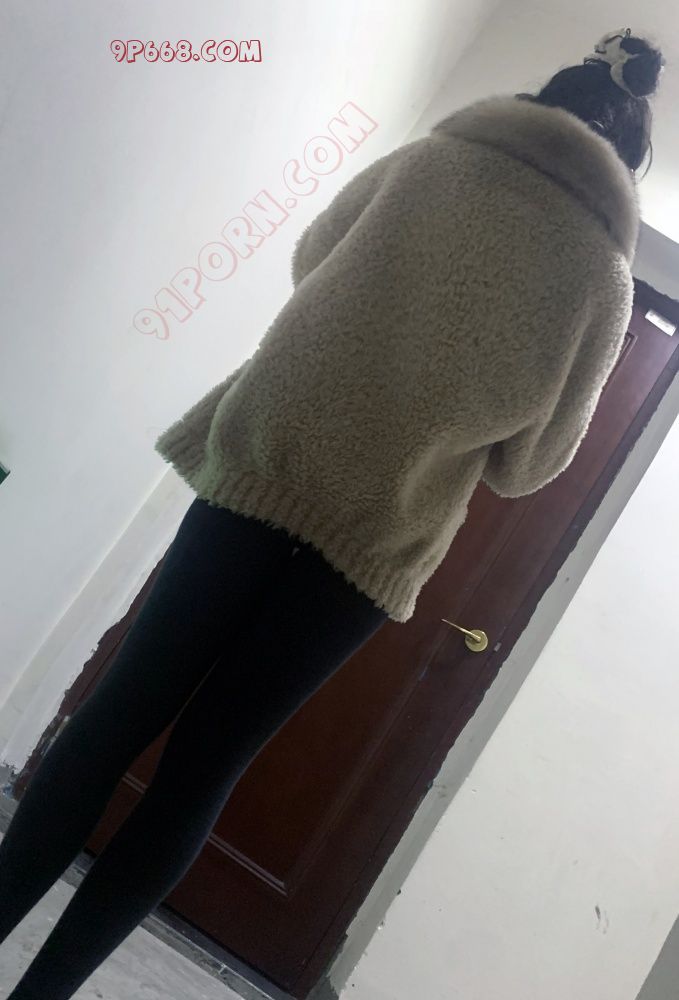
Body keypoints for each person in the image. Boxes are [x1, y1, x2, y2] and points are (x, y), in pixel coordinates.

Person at [0, 28, 664, 999]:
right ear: (626, 158)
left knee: (116, 713)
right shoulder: (600, 277)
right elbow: (529, 468)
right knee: (202, 771)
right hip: (371, 542)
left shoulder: (431, 160)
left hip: (264, 465)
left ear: (546, 99)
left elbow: (313, 259)